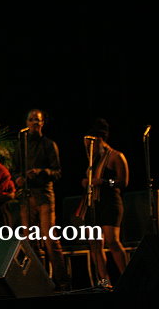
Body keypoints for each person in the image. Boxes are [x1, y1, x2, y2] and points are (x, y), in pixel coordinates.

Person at [11, 109, 70, 290]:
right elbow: (14, 170)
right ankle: (40, 280)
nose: (34, 123)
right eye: (31, 120)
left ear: (42, 123)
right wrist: (18, 178)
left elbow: (57, 172)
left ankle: (62, 281)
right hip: (27, 196)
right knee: (30, 241)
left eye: (37, 120)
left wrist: (40, 172)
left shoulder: (49, 144)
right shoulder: (20, 146)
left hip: (44, 195)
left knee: (50, 238)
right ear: (26, 123)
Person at [79, 118, 129, 289]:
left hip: (110, 203)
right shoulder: (93, 160)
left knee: (112, 242)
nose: (88, 147)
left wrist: (105, 182)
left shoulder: (116, 156)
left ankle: (128, 279)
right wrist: (86, 182)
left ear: (99, 140)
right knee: (95, 244)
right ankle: (105, 283)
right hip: (94, 204)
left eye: (90, 143)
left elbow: (123, 182)